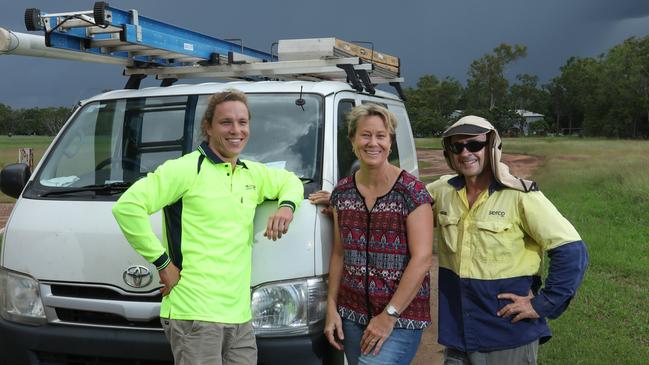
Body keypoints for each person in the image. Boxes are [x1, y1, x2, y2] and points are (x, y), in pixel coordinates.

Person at [112, 90, 303, 365]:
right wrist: (163, 264)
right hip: (194, 316)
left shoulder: (252, 174)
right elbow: (127, 207)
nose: (236, 130)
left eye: (242, 122)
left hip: (239, 317)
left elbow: (290, 181)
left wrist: (287, 207)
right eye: (226, 122)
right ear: (208, 127)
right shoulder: (186, 169)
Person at [426, 115, 588, 365]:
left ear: (491, 147)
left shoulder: (520, 196)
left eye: (474, 145)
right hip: (458, 334)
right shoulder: (442, 191)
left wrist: (543, 303)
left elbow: (571, 249)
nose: (465, 152)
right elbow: (399, 208)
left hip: (507, 334)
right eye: (457, 147)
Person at [322, 104, 434, 365]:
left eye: (381, 136)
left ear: (390, 142)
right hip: (352, 315)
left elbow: (422, 260)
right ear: (352, 140)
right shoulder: (343, 192)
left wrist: (388, 316)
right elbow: (339, 254)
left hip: (401, 317)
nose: (373, 143)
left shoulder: (412, 192)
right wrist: (331, 309)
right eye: (365, 135)